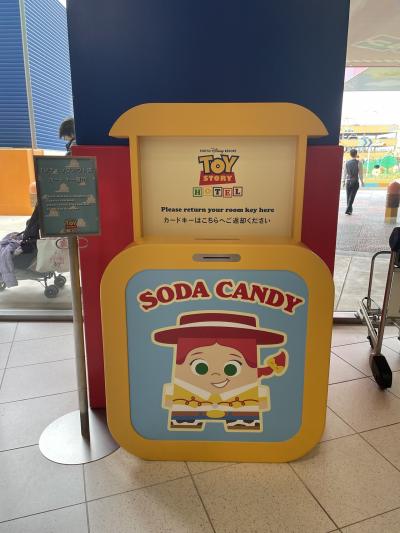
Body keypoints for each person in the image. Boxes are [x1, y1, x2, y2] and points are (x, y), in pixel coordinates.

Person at [153, 312, 288, 432]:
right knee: (184, 422)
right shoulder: (182, 395)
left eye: (231, 368)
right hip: (187, 403)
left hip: (243, 404)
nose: (216, 375)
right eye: (200, 367)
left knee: (245, 420)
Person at [345, 149, 364, 215]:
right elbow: (360, 174)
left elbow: (345, 173)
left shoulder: (347, 162)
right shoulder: (359, 162)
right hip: (355, 181)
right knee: (352, 196)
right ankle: (348, 210)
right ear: (356, 154)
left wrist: (343, 181)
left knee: (348, 196)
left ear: (350, 154)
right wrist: (362, 182)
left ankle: (349, 210)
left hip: (348, 181)